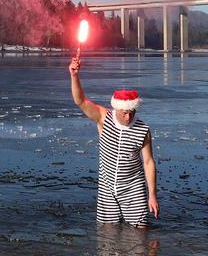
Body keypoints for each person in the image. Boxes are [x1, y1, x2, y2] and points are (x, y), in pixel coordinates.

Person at [68, 58, 159, 227]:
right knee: (107, 235)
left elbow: (148, 162)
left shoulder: (143, 129)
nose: (128, 116)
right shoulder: (103, 117)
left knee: (141, 232)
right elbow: (80, 101)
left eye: (132, 112)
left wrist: (152, 194)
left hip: (133, 188)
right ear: (116, 108)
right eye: (124, 112)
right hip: (107, 187)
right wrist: (75, 76)